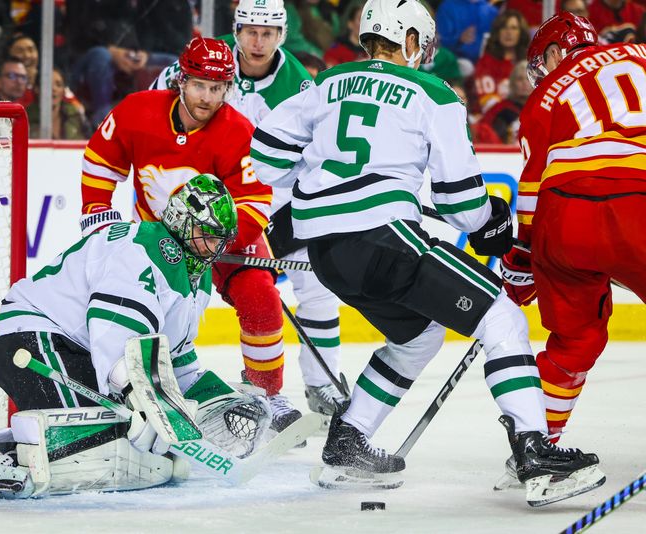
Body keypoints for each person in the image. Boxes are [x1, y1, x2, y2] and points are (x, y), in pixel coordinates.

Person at [250, 0, 604, 506]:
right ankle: (534, 451)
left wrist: (321, 184)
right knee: (501, 318)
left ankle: (348, 441)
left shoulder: (324, 83)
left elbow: (264, 161)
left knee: (417, 336)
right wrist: (492, 224)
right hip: (387, 241)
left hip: (327, 253)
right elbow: (461, 201)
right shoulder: (433, 92)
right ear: (410, 41)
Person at [0, 174, 277, 497]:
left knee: (152, 457)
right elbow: (117, 340)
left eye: (221, 238)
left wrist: (217, 399)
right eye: (207, 234)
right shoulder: (140, 249)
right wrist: (149, 404)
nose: (215, 246)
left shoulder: (197, 277)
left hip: (81, 353)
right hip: (34, 342)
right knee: (121, 452)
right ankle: (15, 462)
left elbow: (177, 362)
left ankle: (32, 438)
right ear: (179, 220)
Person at [79, 36, 306, 436]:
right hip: (157, 238)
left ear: (227, 89)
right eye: (199, 85)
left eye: (217, 88)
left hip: (222, 236)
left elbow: (255, 201)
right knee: (147, 313)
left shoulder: (238, 131)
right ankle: (134, 390)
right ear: (180, 81)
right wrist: (98, 215)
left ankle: (266, 395)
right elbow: (101, 162)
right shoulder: (137, 111)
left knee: (262, 297)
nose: (207, 97)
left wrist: (218, 240)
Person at [152, 0, 347, 422]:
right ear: (236, 30)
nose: (257, 42)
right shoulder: (206, 60)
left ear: (282, 35)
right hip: (199, 206)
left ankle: (321, 383)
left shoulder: (301, 85)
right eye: (249, 31)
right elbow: (154, 111)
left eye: (268, 33)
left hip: (273, 205)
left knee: (315, 290)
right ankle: (157, 380)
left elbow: (316, 153)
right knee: (176, 295)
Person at [501, 12, 646, 450]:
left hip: (566, 219)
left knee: (575, 339)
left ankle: (539, 450)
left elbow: (530, 191)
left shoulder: (544, 97)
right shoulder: (640, 54)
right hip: (640, 199)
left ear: (555, 53)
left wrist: (521, 263)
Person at [472, 10, 530, 115]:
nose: (509, 32)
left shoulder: (529, 62)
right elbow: (486, 103)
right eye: (504, 27)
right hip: (494, 118)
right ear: (497, 32)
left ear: (521, 33)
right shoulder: (486, 62)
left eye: (514, 28)